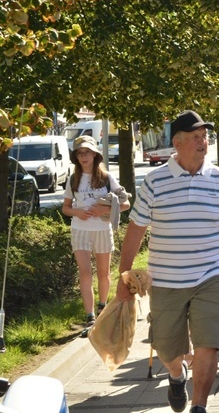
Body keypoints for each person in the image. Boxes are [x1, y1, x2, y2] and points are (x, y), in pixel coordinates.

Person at [116, 110, 219, 413]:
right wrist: (123, 278)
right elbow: (135, 231)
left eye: (204, 136)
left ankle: (199, 406)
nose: (202, 142)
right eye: (195, 137)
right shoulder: (154, 181)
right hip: (165, 280)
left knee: (208, 344)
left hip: (211, 276)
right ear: (177, 142)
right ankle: (177, 375)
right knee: (166, 348)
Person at [62, 135, 130, 334]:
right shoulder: (73, 179)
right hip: (80, 230)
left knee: (103, 273)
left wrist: (105, 211)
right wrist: (77, 212)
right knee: (85, 273)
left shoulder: (107, 178)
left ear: (95, 155)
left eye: (88, 152)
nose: (84, 156)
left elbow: (125, 203)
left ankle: (102, 310)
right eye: (80, 153)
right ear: (76, 157)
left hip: (102, 229)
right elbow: (66, 208)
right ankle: (90, 317)